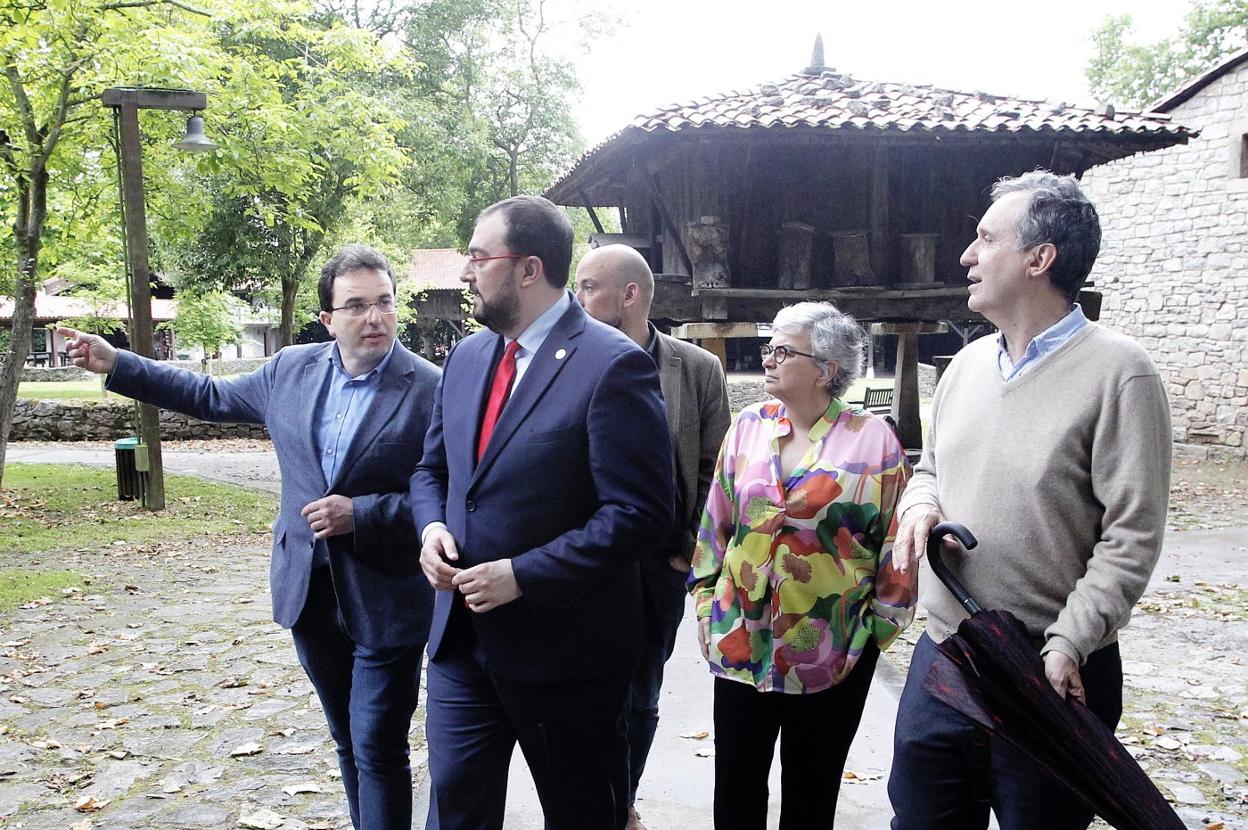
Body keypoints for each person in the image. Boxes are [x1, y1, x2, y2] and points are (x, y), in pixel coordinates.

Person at [60, 244, 440, 830]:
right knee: (344, 737)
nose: (375, 318)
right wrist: (120, 364)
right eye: (357, 305)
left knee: (377, 743)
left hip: (388, 595)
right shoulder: (290, 369)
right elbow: (209, 396)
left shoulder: (430, 388)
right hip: (309, 589)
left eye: (385, 303)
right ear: (328, 317)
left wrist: (363, 513)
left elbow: (439, 492)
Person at [887, 171, 1172, 830]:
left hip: (1050, 671)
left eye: (987, 239)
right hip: (947, 653)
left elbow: (1132, 538)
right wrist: (919, 507)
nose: (967, 256)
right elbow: (929, 469)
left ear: (1039, 259)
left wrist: (1071, 641)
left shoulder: (1121, 374)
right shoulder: (964, 365)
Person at [410, 196, 674, 830]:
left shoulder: (613, 366)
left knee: (582, 814)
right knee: (454, 814)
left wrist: (523, 574)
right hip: (460, 646)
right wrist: (431, 527)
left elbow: (639, 514)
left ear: (529, 269)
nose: (466, 272)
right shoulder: (468, 358)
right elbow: (432, 472)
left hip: (567, 655)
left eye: (478, 256)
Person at [689, 301, 914, 830]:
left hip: (831, 653)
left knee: (812, 797)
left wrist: (872, 634)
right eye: (770, 347)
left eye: (783, 350)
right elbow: (716, 525)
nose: (768, 358)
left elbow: (896, 549)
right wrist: (704, 604)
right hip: (740, 640)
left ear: (827, 369)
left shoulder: (874, 442)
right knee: (736, 789)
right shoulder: (747, 427)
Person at [575, 244, 732, 830]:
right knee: (586, 695)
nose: (578, 297)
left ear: (630, 295)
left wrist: (685, 550)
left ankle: (622, 803)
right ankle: (592, 804)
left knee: (642, 696)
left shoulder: (695, 368)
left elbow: (716, 467)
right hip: (581, 566)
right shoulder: (566, 363)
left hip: (656, 567)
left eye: (590, 286)